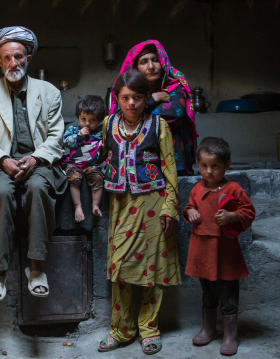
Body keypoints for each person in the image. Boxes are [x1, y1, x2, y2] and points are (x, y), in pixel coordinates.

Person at [0, 26, 66, 303]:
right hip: (0, 165)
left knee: (37, 188)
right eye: (7, 58)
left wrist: (35, 158)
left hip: (40, 162)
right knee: (2, 192)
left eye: (19, 57)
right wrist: (3, 160)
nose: (13, 63)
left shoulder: (49, 92)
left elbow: (57, 135)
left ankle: (36, 268)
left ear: (28, 58)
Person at [98, 70, 180, 355]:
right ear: (116, 99)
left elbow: (170, 169)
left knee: (152, 271)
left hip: (154, 205)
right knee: (119, 269)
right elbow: (96, 156)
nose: (131, 103)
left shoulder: (159, 127)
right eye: (125, 97)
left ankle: (149, 329)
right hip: (121, 206)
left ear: (147, 98)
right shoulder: (108, 124)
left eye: (137, 97)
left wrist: (170, 206)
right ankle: (121, 329)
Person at [183, 137, 255, 356]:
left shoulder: (234, 189)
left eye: (215, 166)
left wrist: (233, 215)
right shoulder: (196, 189)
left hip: (225, 253)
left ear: (227, 165)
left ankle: (230, 335)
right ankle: (208, 329)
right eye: (204, 166)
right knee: (208, 293)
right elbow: (189, 207)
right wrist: (190, 212)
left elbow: (248, 211)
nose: (209, 171)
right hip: (202, 252)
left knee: (228, 295)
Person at [110, 39, 197, 176]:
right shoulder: (126, 89)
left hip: (173, 158)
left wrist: (138, 113)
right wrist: (154, 98)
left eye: (155, 60)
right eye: (144, 62)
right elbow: (120, 116)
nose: (151, 66)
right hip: (139, 160)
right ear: (135, 68)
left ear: (163, 63)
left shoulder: (175, 86)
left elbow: (175, 114)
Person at [61, 95, 105, 222]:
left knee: (98, 177)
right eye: (83, 119)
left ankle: (95, 205)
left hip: (92, 165)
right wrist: (79, 135)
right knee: (72, 176)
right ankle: (78, 206)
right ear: (78, 116)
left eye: (92, 120)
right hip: (75, 164)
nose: (87, 123)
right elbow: (66, 142)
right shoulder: (73, 129)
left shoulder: (99, 132)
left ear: (99, 120)